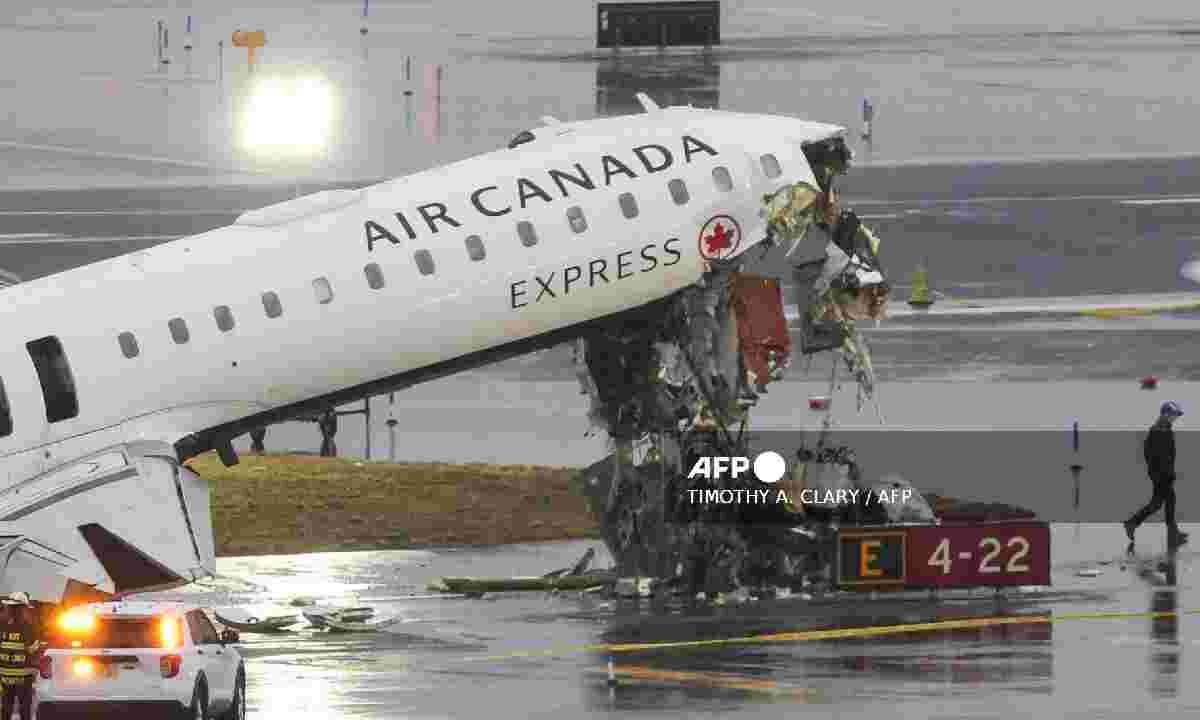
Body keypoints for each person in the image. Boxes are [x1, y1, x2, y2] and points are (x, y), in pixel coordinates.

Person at [1125, 401, 1189, 549]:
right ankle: (1133, 523)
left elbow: (1166, 454)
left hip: (1163, 473)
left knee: (1163, 502)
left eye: (1176, 415)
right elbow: (1153, 455)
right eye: (1173, 415)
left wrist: (1168, 471)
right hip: (1161, 474)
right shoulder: (1158, 430)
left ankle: (1171, 533)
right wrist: (1161, 474)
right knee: (1161, 502)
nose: (1175, 418)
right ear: (1165, 414)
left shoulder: (1164, 428)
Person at [0, 592, 37, 720]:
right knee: (24, 707)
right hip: (23, 676)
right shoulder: (26, 625)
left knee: (6, 706)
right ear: (22, 608)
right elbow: (31, 649)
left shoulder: (2, 624)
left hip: (5, 675)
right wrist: (39, 645)